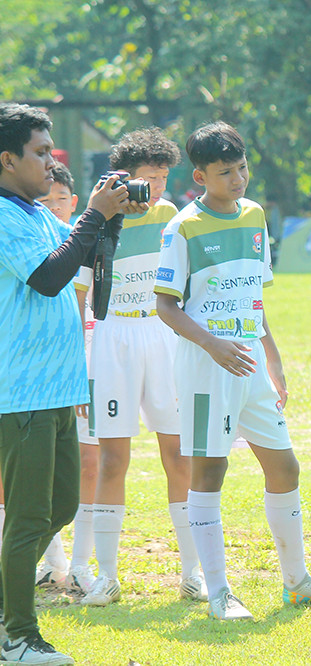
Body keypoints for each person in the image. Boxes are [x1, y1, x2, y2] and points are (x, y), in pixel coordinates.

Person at [154, 121, 311, 620]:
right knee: (210, 471)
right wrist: (213, 345)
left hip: (249, 363)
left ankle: (297, 581)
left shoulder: (254, 215)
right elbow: (165, 306)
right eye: (225, 172)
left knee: (285, 466)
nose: (238, 179)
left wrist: (273, 356)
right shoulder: (181, 227)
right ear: (200, 175)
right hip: (206, 366)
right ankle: (220, 594)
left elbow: (253, 295)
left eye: (242, 168)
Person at [0, 102, 140, 666]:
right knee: (32, 515)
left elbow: (83, 253)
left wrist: (110, 216)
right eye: (39, 153)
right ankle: (17, 637)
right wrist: (92, 214)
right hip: (23, 392)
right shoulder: (5, 216)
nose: (50, 161)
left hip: (56, 389)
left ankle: (12, 608)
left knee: (60, 505)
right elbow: (52, 276)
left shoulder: (33, 212)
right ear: (7, 160)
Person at [72, 128, 203, 608]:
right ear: (124, 179)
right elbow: (80, 298)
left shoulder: (172, 216)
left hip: (161, 336)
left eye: (164, 178)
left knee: (178, 455)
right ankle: (106, 576)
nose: (156, 190)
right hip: (110, 338)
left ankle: (193, 572)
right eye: (148, 179)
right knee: (113, 459)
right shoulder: (98, 220)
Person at [30, 162, 99, 595]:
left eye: (60, 200)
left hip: (89, 364)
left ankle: (81, 565)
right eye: (44, 201)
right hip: (37, 372)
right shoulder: (28, 242)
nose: (53, 208)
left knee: (87, 463)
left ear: (74, 204)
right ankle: (50, 563)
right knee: (35, 471)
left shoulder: (87, 241)